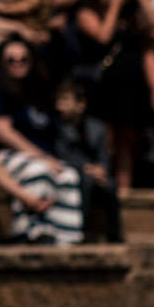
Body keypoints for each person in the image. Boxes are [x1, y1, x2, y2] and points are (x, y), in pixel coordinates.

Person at [0, 39, 83, 244]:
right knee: (38, 171)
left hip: (40, 155)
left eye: (23, 59)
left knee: (69, 175)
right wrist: (42, 156)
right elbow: (1, 131)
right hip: (5, 154)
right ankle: (29, 233)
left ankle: (65, 239)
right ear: (1, 62)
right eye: (11, 60)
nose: (18, 63)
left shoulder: (37, 88)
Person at [71, 0, 154, 188]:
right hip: (100, 88)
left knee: (126, 140)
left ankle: (124, 192)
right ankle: (100, 185)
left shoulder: (133, 15)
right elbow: (103, 37)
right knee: (102, 140)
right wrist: (114, 6)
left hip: (130, 88)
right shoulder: (87, 11)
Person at [49, 77, 120, 242]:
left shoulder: (97, 128)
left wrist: (102, 170)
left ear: (81, 105)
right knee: (85, 182)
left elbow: (104, 155)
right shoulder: (57, 127)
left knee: (110, 185)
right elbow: (61, 154)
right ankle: (83, 231)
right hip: (75, 172)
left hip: (94, 173)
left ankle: (114, 234)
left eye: (65, 100)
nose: (60, 106)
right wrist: (86, 168)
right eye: (58, 101)